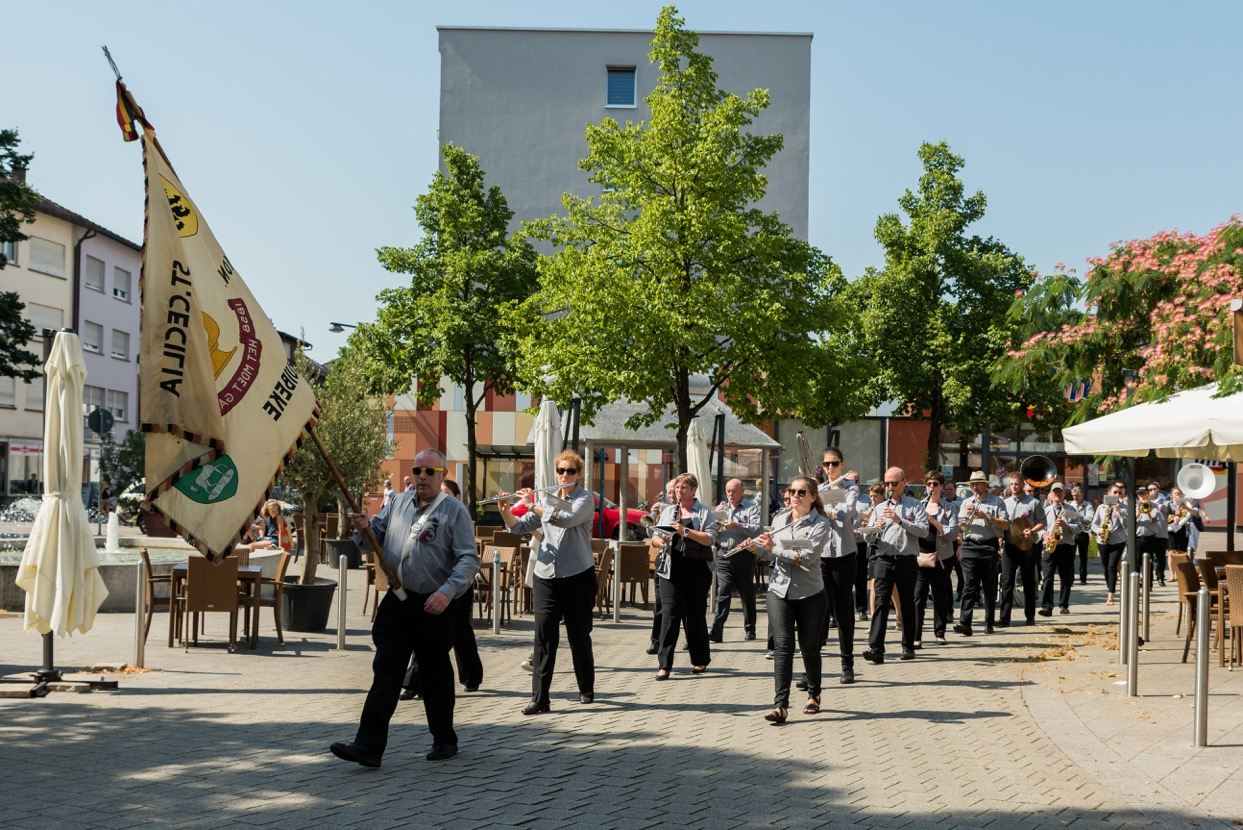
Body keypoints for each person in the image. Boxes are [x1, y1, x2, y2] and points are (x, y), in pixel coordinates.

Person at [331, 449, 479, 766]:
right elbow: (374, 538)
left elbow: (469, 559)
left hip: (434, 604)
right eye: (418, 470)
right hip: (398, 600)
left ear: (442, 474)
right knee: (386, 670)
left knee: (435, 672)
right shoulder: (397, 502)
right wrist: (362, 527)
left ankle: (444, 739)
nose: (422, 477)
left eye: (430, 471)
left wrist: (447, 592)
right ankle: (368, 746)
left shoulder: (454, 511)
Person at [499, 449, 597, 714]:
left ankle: (586, 688)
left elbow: (567, 520)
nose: (564, 475)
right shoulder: (548, 499)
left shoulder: (584, 499)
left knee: (578, 636)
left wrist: (532, 504)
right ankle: (539, 698)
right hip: (546, 576)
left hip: (577, 576)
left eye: (570, 471)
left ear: (579, 475)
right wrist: (506, 512)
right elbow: (519, 527)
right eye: (561, 471)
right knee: (543, 638)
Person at [745, 475, 828, 722]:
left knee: (809, 649)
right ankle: (780, 704)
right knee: (783, 647)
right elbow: (771, 555)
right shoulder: (780, 519)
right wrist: (756, 549)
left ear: (812, 497)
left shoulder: (820, 524)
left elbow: (808, 558)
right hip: (779, 591)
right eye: (792, 491)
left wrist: (773, 548)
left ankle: (814, 694)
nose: (795, 496)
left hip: (810, 593)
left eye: (801, 492)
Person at [399, 478, 483, 702]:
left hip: (457, 584)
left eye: (445, 493)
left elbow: (467, 556)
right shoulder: (426, 514)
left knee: (460, 633)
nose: (440, 498)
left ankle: (472, 676)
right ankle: (412, 683)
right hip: (430, 587)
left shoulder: (458, 514)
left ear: (456, 497)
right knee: (426, 635)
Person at [651, 472, 718, 679]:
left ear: (693, 490)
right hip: (670, 570)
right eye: (677, 488)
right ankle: (664, 665)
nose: (679, 492)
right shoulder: (669, 511)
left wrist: (685, 531)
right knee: (669, 615)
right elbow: (654, 536)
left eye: (684, 488)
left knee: (694, 616)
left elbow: (710, 539)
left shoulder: (704, 512)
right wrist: (659, 541)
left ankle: (699, 660)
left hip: (697, 570)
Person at [862, 467, 928, 663]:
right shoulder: (879, 508)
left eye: (894, 483)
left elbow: (923, 531)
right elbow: (867, 537)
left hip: (906, 560)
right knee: (880, 603)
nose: (890, 487)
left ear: (903, 482)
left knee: (907, 603)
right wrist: (875, 528)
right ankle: (876, 649)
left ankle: (908, 647)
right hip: (884, 559)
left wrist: (900, 521)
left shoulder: (915, 506)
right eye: (887, 484)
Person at [813, 448, 858, 684]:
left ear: (842, 465)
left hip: (843, 555)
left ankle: (847, 663)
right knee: (819, 611)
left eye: (835, 464)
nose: (830, 468)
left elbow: (845, 514)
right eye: (827, 465)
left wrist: (828, 504)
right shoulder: (818, 490)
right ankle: (812, 668)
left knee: (842, 612)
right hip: (822, 556)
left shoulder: (850, 488)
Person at [954, 470, 1009, 637]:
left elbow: (1005, 525)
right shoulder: (966, 502)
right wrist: (967, 517)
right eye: (972, 484)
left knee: (989, 586)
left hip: (988, 546)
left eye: (977, 484)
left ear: (985, 486)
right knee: (969, 585)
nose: (974, 487)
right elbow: (961, 527)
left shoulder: (997, 501)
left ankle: (989, 622)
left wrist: (986, 516)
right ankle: (965, 623)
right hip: (970, 545)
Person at [709, 478, 761, 643]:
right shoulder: (722, 508)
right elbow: (711, 531)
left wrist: (737, 525)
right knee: (722, 592)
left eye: (733, 491)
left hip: (743, 554)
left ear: (742, 491)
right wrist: (714, 517)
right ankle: (717, 630)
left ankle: (750, 628)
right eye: (728, 491)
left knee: (747, 593)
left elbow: (757, 529)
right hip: (724, 554)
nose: (730, 494)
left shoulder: (751, 507)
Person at [913, 471, 957, 647]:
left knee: (940, 595)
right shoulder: (918, 505)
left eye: (935, 484)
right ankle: (916, 636)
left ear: (941, 487)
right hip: (920, 557)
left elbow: (953, 534)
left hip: (942, 557)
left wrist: (933, 521)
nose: (932, 487)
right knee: (918, 597)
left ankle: (940, 632)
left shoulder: (949, 507)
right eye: (929, 484)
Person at [999, 473, 1046, 627]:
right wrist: (1000, 536)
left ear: (1023, 484)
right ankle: (1004, 618)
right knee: (1006, 582)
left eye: (1017, 484)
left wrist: (1032, 530)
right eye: (1011, 484)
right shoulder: (1004, 503)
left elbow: (1043, 522)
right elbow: (1002, 524)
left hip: (1027, 547)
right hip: (1010, 546)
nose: (1014, 487)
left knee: (1028, 582)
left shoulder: (1033, 503)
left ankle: (1030, 617)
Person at [647, 479, 679, 655]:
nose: (671, 495)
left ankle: (691, 640)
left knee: (684, 606)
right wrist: (654, 518)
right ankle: (656, 640)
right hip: (663, 559)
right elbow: (650, 532)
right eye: (669, 491)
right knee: (659, 604)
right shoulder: (664, 510)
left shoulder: (686, 510)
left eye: (674, 491)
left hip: (681, 561)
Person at [1039, 482, 1080, 616]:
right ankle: (1046, 606)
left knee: (1066, 577)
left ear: (1064, 494)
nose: (1057, 494)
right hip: (1050, 547)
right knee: (1047, 577)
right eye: (1054, 492)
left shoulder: (1071, 510)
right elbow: (1040, 528)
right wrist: (1044, 535)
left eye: (1060, 492)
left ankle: (1063, 605)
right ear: (1051, 494)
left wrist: (1066, 525)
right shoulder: (1045, 510)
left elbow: (1079, 528)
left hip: (1066, 547)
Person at [1090, 481, 1128, 606]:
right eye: (1115, 492)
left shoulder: (1124, 507)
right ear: (1108, 493)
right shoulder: (1101, 507)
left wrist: (1120, 511)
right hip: (1103, 540)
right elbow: (1094, 524)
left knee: (1112, 566)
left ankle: (1111, 594)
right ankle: (1110, 586)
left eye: (1119, 492)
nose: (1117, 494)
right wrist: (1098, 530)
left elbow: (1127, 525)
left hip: (1118, 540)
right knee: (1106, 568)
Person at [847, 470, 870, 622]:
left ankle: (862, 609)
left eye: (854, 481)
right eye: (848, 482)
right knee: (845, 579)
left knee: (861, 578)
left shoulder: (866, 499)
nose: (852, 484)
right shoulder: (842, 498)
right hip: (845, 544)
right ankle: (844, 610)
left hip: (860, 542)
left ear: (859, 483)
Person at [1138, 480, 1170, 586]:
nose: (1152, 491)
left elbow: (1171, 511)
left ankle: (1160, 577)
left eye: (1154, 489)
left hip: (1161, 533)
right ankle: (1146, 578)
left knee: (1160, 557)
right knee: (1148, 558)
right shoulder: (1142, 501)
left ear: (1158, 489)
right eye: (1150, 489)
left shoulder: (1165, 501)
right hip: (1149, 533)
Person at [1067, 484, 1092, 584]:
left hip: (1083, 533)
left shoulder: (1088, 505)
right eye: (1073, 495)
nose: (1075, 497)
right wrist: (1080, 519)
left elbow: (1089, 518)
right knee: (1071, 557)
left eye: (1077, 495)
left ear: (1082, 494)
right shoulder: (1069, 505)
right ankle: (1071, 578)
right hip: (1072, 533)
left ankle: (1083, 578)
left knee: (1083, 557)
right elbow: (1068, 520)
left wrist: (1076, 518)